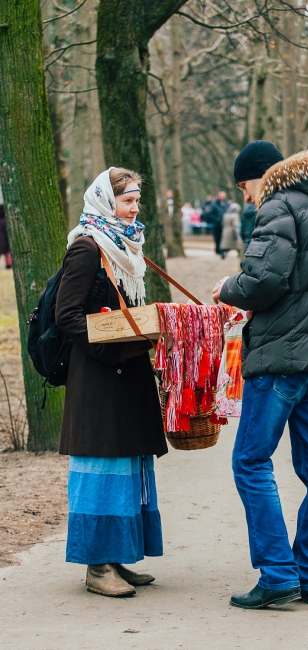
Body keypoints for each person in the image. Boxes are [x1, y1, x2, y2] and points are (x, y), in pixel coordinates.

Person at [212, 140, 308, 609]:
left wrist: (227, 288)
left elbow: (263, 281)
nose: (245, 197)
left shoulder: (279, 205)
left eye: (245, 186)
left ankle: (279, 574)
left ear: (266, 175)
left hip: (279, 360)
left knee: (250, 462)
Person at [56, 167, 168, 598]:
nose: (135, 208)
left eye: (137, 200)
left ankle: (117, 555)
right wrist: (114, 350)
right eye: (127, 201)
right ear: (105, 201)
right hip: (99, 378)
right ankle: (96, 566)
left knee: (125, 467)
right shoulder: (87, 247)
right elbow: (66, 316)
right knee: (102, 470)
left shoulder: (126, 247)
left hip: (126, 373)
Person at [0, 188, 12, 269]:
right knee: (7, 252)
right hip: (5, 241)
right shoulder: (5, 221)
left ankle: (8, 264)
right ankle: (8, 264)